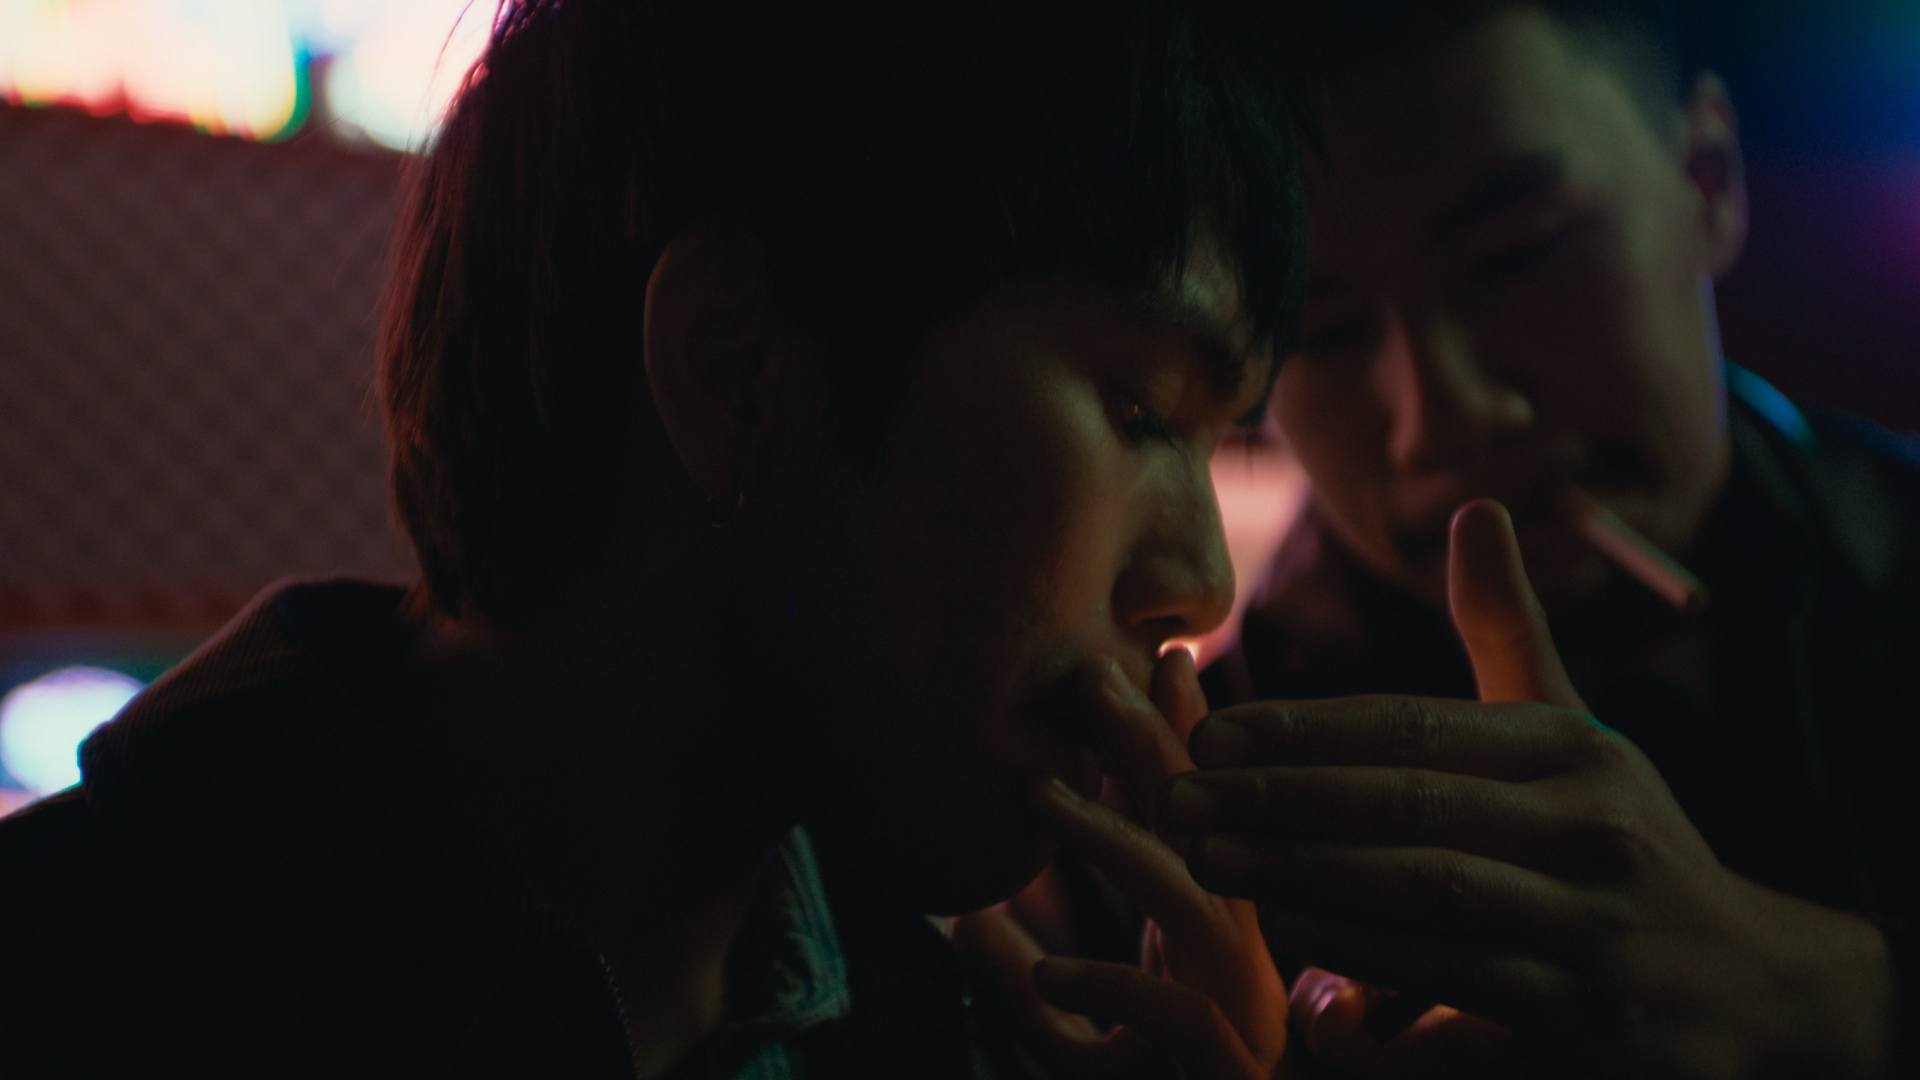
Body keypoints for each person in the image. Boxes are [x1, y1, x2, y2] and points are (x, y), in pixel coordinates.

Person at [0, 2, 1309, 1076]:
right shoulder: (78, 989)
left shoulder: (962, 1027)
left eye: (1219, 445)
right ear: (736, 372)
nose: (1199, 584)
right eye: (1142, 411)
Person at [1166, 1, 1920, 1076]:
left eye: (1514, 257)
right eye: (1320, 331)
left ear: (1708, 179)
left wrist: (1840, 997)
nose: (1439, 421)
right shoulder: (1181, 821)